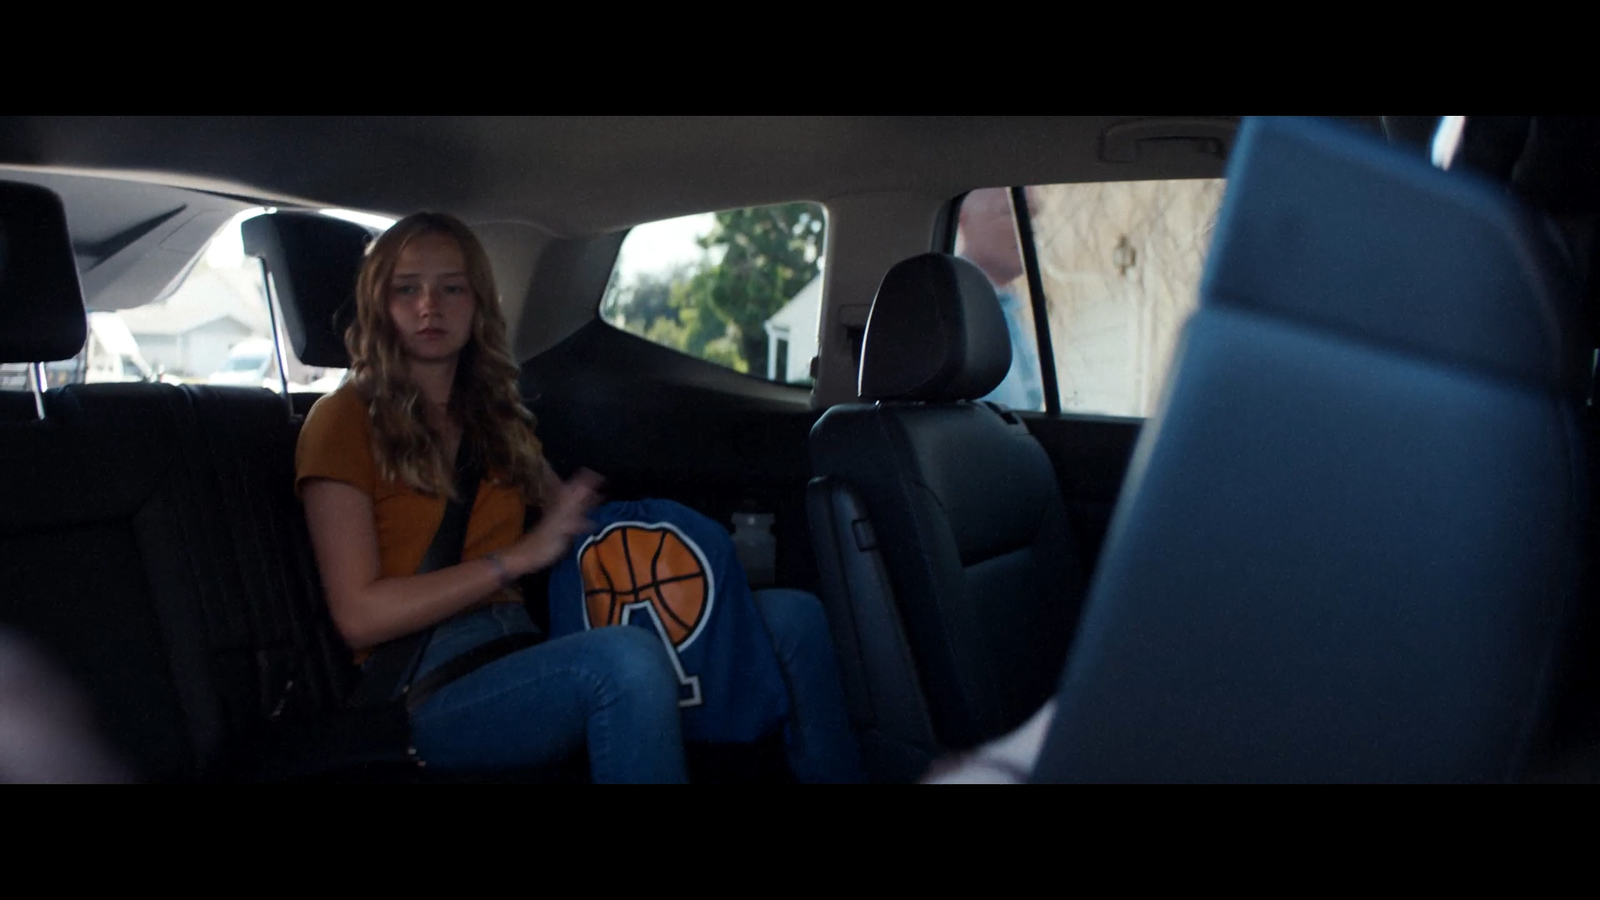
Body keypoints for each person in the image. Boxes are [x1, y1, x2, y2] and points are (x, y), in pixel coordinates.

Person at [296, 212, 863, 783]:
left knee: (795, 617)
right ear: (378, 303)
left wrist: (695, 557)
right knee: (625, 663)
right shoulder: (340, 420)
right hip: (425, 683)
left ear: (477, 304)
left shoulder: (494, 418)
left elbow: (576, 526)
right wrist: (513, 560)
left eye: (451, 288)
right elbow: (360, 617)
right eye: (406, 289)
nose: (429, 306)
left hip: (531, 646)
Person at [956, 187, 1045, 412]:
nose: (1030, 226)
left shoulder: (1006, 307)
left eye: (1034, 213)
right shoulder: (953, 312)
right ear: (963, 220)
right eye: (1011, 211)